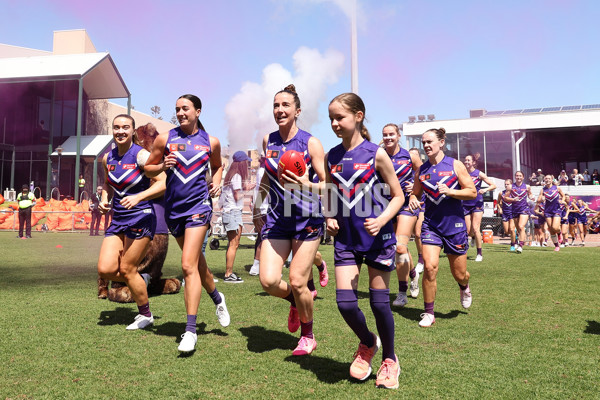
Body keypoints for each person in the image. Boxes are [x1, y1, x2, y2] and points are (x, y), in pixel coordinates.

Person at [325, 93, 403, 389]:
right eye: (331, 118)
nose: (334, 123)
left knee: (379, 304)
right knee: (345, 304)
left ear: (358, 116)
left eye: (340, 117)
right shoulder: (331, 155)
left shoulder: (376, 153)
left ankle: (391, 360)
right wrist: (329, 216)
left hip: (378, 239)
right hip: (345, 239)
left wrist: (383, 220)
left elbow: (398, 195)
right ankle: (368, 342)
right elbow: (329, 192)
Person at [144, 94, 230, 353]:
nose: (181, 113)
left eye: (186, 109)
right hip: (174, 210)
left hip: (199, 208)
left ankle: (190, 331)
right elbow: (148, 168)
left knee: (187, 265)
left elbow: (217, 166)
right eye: (177, 109)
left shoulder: (210, 141)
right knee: (197, 263)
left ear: (198, 111)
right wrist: (161, 165)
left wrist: (216, 182)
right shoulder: (165, 139)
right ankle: (217, 297)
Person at [253, 84, 325, 357]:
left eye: (285, 105)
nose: (280, 110)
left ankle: (308, 336)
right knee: (269, 281)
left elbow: (328, 185)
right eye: (276, 105)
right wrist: (258, 205)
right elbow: (267, 178)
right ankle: (296, 302)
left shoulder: (311, 143)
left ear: (297, 110)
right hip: (277, 219)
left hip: (308, 219)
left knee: (297, 280)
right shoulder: (267, 141)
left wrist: (308, 183)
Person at [96, 114, 166, 330]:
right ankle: (140, 278)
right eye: (116, 127)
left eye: (125, 127)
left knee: (126, 268)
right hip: (118, 219)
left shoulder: (141, 156)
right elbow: (108, 184)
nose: (120, 131)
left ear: (133, 131)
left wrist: (139, 197)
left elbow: (163, 184)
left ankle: (145, 315)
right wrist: (105, 199)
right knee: (105, 269)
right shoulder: (107, 158)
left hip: (142, 217)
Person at [407, 127, 477, 328]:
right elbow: (416, 193)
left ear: (441, 143)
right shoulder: (422, 170)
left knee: (460, 273)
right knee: (429, 267)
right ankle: (428, 312)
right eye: (423, 143)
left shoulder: (455, 165)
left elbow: (472, 192)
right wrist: (412, 199)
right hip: (430, 225)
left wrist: (452, 192)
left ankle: (464, 286)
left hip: (454, 226)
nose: (426, 146)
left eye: (430, 142)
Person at [381, 123, 422, 308]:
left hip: (407, 205)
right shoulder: (378, 154)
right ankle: (413, 274)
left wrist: (414, 190)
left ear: (398, 135)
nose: (388, 137)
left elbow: (423, 173)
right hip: (388, 206)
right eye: (385, 135)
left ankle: (402, 292)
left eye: (392, 134)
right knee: (401, 248)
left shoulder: (410, 156)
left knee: (399, 247)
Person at [220, 150, 253, 283]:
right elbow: (237, 196)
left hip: (231, 212)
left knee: (233, 244)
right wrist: (248, 191)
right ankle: (228, 274)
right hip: (233, 212)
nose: (247, 165)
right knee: (233, 244)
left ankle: (229, 272)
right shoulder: (237, 176)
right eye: (246, 162)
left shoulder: (232, 175)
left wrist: (246, 189)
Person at [463, 154, 496, 262]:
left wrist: (485, 190)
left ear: (473, 162)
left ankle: (479, 254)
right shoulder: (462, 173)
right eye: (465, 160)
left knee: (476, 228)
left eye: (469, 160)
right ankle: (472, 237)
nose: (466, 161)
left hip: (477, 203)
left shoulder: (479, 173)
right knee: (469, 231)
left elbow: (493, 185)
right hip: (465, 204)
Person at [504, 171, 534, 253]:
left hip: (524, 208)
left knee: (521, 226)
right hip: (515, 209)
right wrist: (513, 199)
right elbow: (506, 198)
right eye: (517, 176)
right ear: (515, 177)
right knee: (518, 229)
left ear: (523, 177)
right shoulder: (510, 186)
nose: (518, 177)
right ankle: (517, 241)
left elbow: (530, 194)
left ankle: (520, 246)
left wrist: (532, 197)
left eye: (520, 176)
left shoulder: (527, 187)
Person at [537, 175, 565, 251]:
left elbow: (563, 196)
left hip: (556, 210)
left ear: (552, 179)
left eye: (549, 178)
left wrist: (562, 200)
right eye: (546, 178)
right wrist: (541, 199)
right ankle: (556, 246)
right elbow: (538, 200)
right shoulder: (543, 190)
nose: (547, 180)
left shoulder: (557, 188)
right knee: (551, 229)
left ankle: (559, 233)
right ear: (544, 180)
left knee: (555, 227)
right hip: (547, 211)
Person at [498, 179, 516, 251]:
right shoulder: (501, 193)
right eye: (505, 184)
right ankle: (515, 235)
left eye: (508, 184)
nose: (506, 185)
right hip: (505, 213)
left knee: (511, 229)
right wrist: (500, 208)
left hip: (512, 212)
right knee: (506, 231)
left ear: (511, 185)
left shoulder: (514, 193)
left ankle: (513, 245)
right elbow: (498, 202)